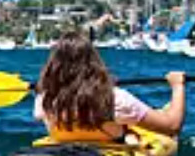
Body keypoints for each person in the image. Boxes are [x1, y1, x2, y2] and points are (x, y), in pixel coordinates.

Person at [32, 32, 186, 143]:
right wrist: (178, 86)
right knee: (127, 126)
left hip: (63, 150)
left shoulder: (44, 98)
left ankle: (127, 132)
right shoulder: (114, 98)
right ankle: (126, 133)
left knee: (125, 127)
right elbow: (172, 126)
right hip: (109, 150)